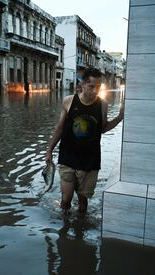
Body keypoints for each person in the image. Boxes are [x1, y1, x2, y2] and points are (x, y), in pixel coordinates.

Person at [45, 67, 124, 216]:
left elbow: (103, 128)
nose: (95, 91)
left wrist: (119, 117)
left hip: (90, 161)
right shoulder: (69, 101)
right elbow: (60, 128)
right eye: (91, 86)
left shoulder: (102, 105)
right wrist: (49, 151)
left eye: (98, 87)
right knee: (66, 199)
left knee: (83, 203)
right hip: (68, 157)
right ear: (82, 85)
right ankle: (65, 230)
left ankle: (80, 229)